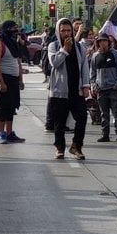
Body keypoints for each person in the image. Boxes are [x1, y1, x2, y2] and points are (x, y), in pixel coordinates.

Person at [48, 17, 91, 160]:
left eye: (69, 31)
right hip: (59, 92)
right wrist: (65, 50)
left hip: (76, 90)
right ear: (58, 32)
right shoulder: (53, 46)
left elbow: (85, 67)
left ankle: (76, 146)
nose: (66, 34)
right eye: (63, 31)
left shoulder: (79, 47)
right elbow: (54, 63)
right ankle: (60, 148)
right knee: (59, 122)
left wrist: (86, 86)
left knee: (82, 118)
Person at [0, 20, 25, 144]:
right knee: (3, 108)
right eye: (13, 29)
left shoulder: (13, 44)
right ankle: (1, 133)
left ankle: (10, 133)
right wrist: (1, 82)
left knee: (11, 108)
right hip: (4, 79)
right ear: (6, 30)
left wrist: (20, 79)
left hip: (14, 80)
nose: (15, 32)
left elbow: (18, 62)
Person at [91, 33, 117, 143]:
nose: (102, 43)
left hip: (113, 89)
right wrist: (94, 85)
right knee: (104, 114)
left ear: (108, 42)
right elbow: (92, 73)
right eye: (100, 41)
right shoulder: (95, 56)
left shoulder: (115, 54)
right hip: (101, 90)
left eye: (104, 41)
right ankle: (105, 134)